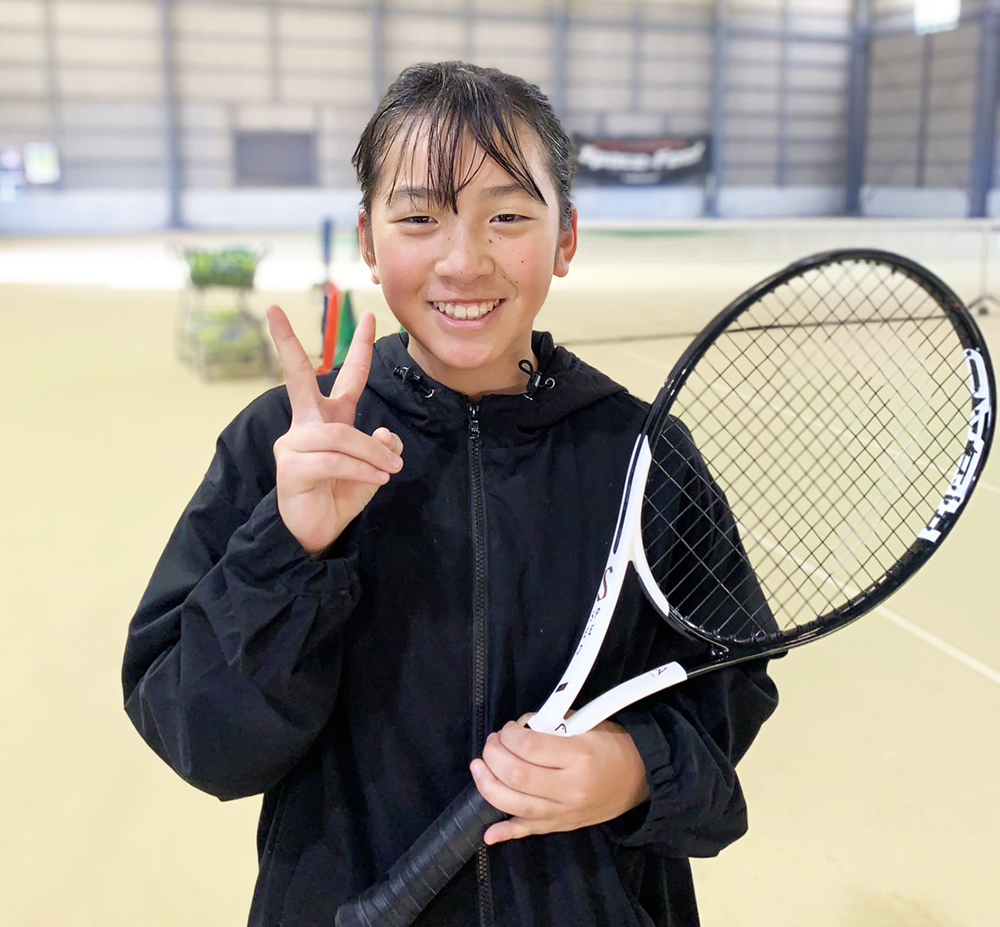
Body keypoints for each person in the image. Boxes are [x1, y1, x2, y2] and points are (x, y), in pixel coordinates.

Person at [122, 61, 778, 926]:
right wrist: (288, 548)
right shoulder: (286, 446)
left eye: (508, 216)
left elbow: (728, 689)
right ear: (367, 238)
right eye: (419, 217)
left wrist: (632, 769)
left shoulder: (641, 456)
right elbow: (203, 736)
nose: (464, 261)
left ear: (567, 238)